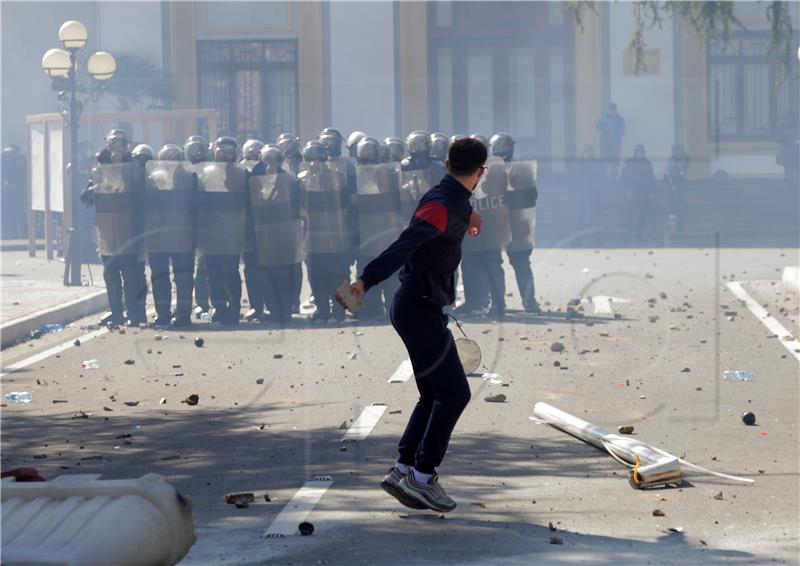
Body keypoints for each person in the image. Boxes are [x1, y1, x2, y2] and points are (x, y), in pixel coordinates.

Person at [341, 138, 485, 513]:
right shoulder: (441, 204)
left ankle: (403, 469)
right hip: (418, 309)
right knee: (455, 394)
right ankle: (422, 478)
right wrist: (366, 280)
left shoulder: (450, 196)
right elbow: (404, 245)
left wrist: (471, 216)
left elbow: (458, 207)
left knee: (432, 393)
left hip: (419, 306)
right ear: (481, 172)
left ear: (448, 163)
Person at [81, 129, 147, 327]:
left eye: (121, 144)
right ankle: (116, 312)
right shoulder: (100, 170)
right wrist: (94, 190)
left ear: (127, 146)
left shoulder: (134, 168)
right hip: (107, 228)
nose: (117, 149)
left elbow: (143, 193)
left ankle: (135, 314)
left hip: (129, 227)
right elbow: (85, 196)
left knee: (130, 273)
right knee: (110, 273)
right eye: (113, 144)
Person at [249, 144, 303, 325]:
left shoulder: (288, 180)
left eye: (274, 159)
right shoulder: (256, 179)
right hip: (266, 232)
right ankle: (275, 310)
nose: (271, 163)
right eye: (267, 159)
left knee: (283, 274)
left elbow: (296, 204)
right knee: (270, 274)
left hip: (283, 231)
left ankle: (284, 311)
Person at [196, 136, 247, 325]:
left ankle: (233, 310)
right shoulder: (205, 174)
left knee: (230, 272)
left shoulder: (242, 174)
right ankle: (219, 308)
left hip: (232, 230)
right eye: (221, 151)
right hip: (210, 229)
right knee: (213, 273)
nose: (224, 155)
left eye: (229, 152)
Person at [144, 144, 196, 327]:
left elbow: (195, 206)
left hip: (176, 233)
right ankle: (167, 314)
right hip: (165, 233)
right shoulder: (153, 179)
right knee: (165, 277)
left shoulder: (190, 178)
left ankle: (177, 315)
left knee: (179, 277)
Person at [299, 140, 351, 323]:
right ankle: (322, 310)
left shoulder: (337, 177)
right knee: (316, 276)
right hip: (313, 237)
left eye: (317, 159)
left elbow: (346, 206)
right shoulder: (302, 180)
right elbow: (300, 208)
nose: (314, 164)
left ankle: (340, 311)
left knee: (339, 276)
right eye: (311, 159)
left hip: (335, 236)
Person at [491, 132, 541, 313]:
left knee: (500, 264)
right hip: (508, 223)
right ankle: (527, 303)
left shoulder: (517, 169)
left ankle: (500, 304)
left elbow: (531, 196)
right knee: (513, 264)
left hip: (507, 223)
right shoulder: (494, 170)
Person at [239, 139, 268, 322]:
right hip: (248, 226)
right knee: (251, 268)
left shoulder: (269, 171)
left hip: (268, 225)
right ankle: (256, 305)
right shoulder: (239, 171)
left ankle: (270, 305)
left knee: (269, 267)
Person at [184, 135, 211, 318]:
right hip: (185, 223)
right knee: (185, 268)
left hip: (206, 223)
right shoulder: (182, 171)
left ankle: (205, 308)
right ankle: (185, 309)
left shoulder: (211, 170)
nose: (197, 153)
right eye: (193, 150)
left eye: (200, 149)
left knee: (204, 267)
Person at [621, 144, 655, 242]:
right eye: (638, 152)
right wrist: (626, 189)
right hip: (631, 192)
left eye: (642, 152)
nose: (640, 154)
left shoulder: (647, 163)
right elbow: (623, 177)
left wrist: (651, 192)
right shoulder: (629, 162)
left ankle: (639, 236)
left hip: (643, 193)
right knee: (629, 214)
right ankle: (625, 236)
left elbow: (651, 178)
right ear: (635, 152)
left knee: (641, 215)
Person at [1, 145, 28, 239]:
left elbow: (22, 172)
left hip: (17, 189)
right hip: (10, 190)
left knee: (19, 213)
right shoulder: (7, 160)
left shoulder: (20, 160)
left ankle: (23, 234)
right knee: (11, 213)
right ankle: (13, 234)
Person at [596, 102, 626, 182]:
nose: (611, 111)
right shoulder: (604, 117)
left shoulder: (620, 119)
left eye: (613, 110)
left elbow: (623, 130)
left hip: (615, 144)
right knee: (604, 161)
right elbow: (598, 125)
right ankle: (603, 178)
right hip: (605, 143)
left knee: (614, 162)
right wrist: (606, 129)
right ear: (608, 110)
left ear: (615, 110)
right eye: (609, 110)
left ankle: (614, 179)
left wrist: (615, 131)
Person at [663, 144, 689, 232]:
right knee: (672, 204)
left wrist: (678, 172)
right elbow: (666, 173)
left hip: (680, 186)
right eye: (675, 152)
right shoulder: (670, 160)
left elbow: (683, 171)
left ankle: (681, 224)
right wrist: (670, 182)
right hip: (671, 186)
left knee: (681, 204)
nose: (677, 154)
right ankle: (672, 223)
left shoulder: (685, 159)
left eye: (679, 152)